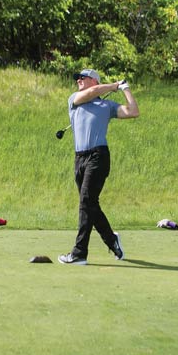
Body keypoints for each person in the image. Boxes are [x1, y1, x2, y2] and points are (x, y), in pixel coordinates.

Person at [58, 69, 140, 265]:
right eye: (77, 78)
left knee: (86, 202)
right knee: (91, 205)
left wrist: (126, 89)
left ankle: (79, 253)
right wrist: (114, 86)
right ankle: (112, 240)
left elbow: (133, 111)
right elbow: (89, 94)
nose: (78, 80)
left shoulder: (107, 105)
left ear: (94, 80)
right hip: (79, 158)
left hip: (98, 156)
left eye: (83, 78)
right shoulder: (75, 99)